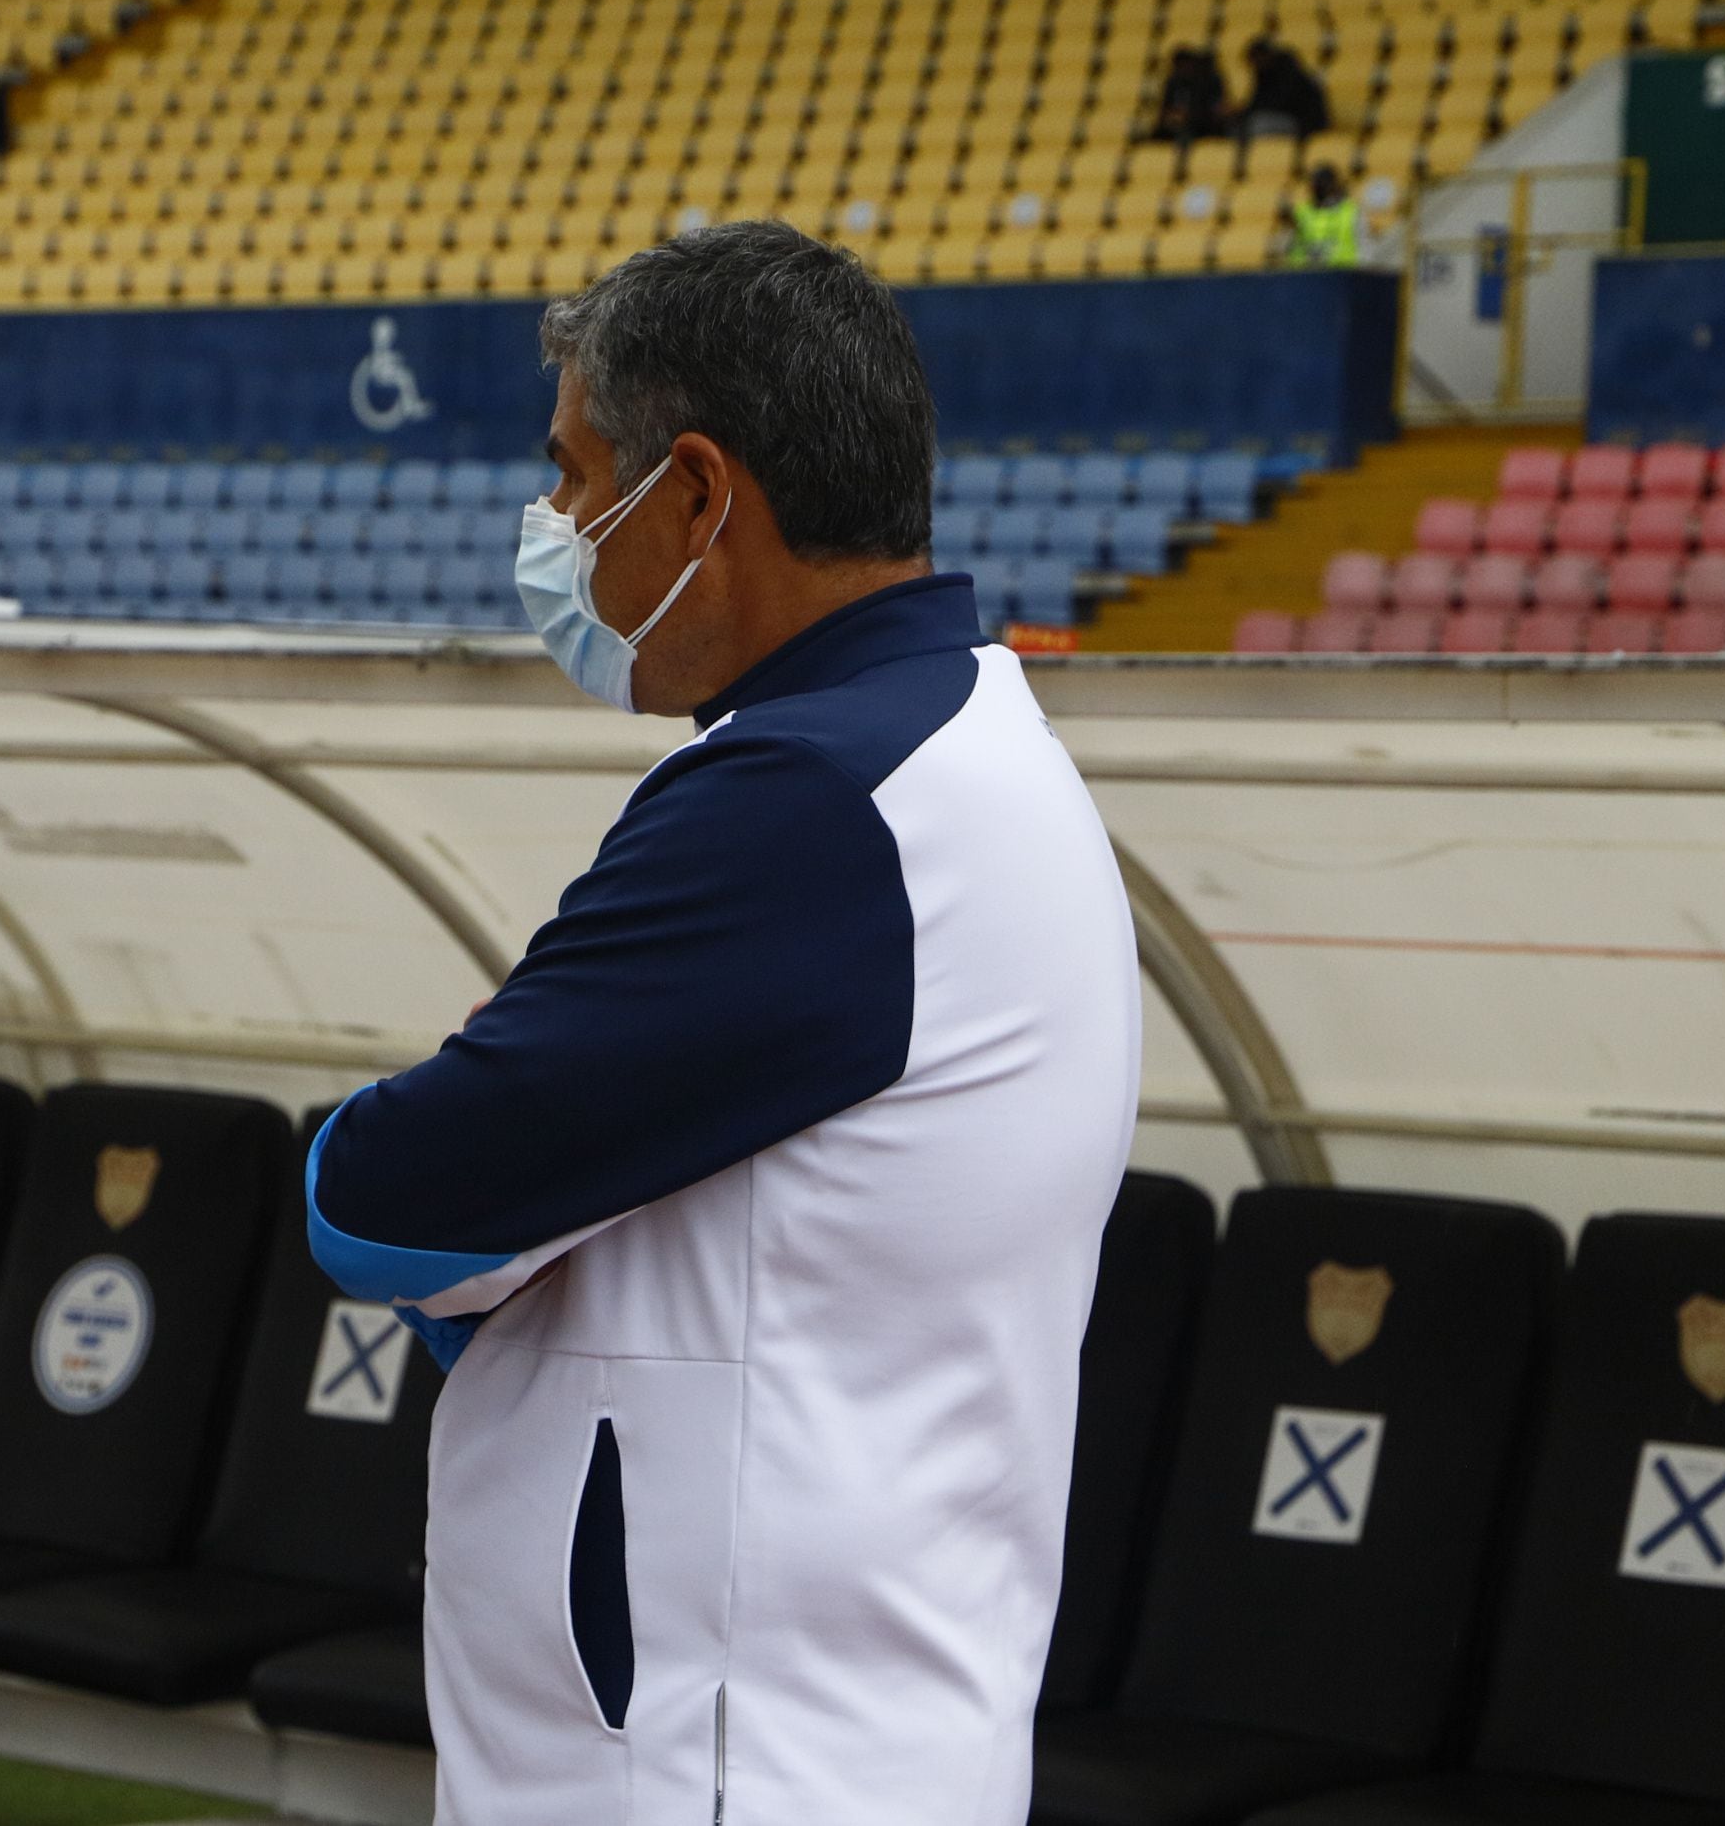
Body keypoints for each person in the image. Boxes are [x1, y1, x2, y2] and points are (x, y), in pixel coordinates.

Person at [303, 221, 1141, 1824]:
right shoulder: (954, 742)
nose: (553, 529)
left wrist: (442, 1107)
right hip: (836, 1727)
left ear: (694, 494)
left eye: (571, 477)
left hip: (714, 1759)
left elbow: (381, 1201)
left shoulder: (804, 802)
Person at [1238, 34, 1331, 144]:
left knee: (1257, 125)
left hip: (1303, 123)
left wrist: (1244, 110)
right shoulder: (1264, 74)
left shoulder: (1291, 74)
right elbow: (1258, 101)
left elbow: (1277, 102)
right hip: (1284, 119)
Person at [1151, 44, 1229, 145]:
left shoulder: (1207, 81)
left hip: (1202, 126)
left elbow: (1214, 110)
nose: (1183, 68)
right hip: (1177, 127)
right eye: (1179, 65)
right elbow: (1165, 108)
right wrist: (1171, 116)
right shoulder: (1173, 82)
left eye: (1185, 64)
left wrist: (1188, 115)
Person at [1288, 164, 1362, 265]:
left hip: (1343, 273)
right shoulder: (1301, 212)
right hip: (1309, 274)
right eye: (1314, 182)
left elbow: (1363, 246)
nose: (1316, 186)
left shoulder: (1351, 211)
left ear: (1333, 184)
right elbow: (1295, 249)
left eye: (1321, 182)